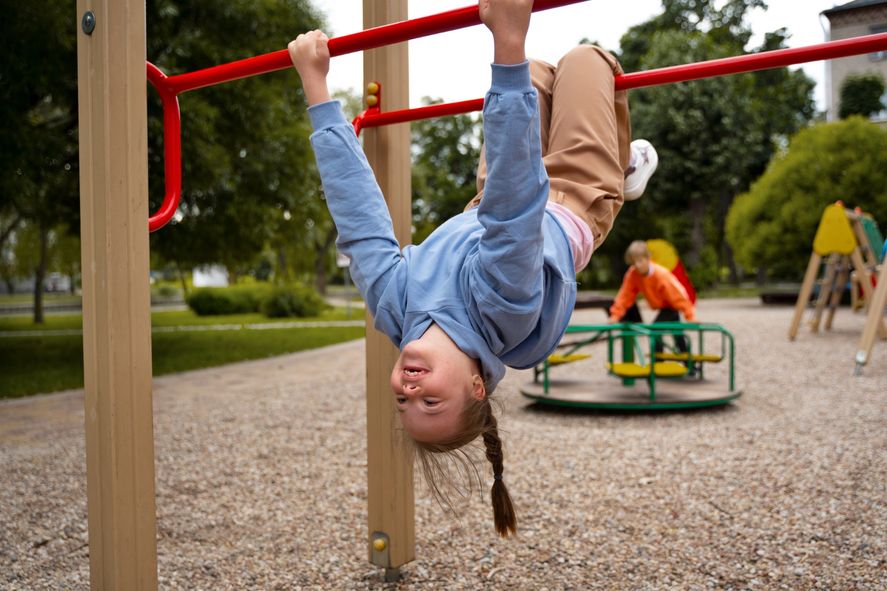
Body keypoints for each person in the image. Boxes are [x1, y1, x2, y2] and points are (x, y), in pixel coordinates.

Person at [288, 0, 656, 537]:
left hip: (492, 197)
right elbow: (513, 212)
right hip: (573, 198)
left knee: (532, 76)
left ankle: (591, 134)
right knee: (583, 61)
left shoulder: (396, 306)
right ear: (477, 388)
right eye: (430, 400)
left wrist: (317, 91)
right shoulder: (501, 310)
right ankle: (619, 171)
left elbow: (359, 219)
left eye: (403, 398)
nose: (410, 387)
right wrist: (505, 40)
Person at [608, 240, 696, 355]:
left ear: (648, 258)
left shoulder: (661, 275)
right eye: (634, 263)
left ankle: (659, 363)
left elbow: (679, 296)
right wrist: (615, 315)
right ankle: (688, 366)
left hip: (672, 306)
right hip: (663, 308)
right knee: (677, 334)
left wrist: (690, 316)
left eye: (640, 261)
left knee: (655, 330)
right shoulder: (633, 274)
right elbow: (625, 295)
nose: (638, 266)